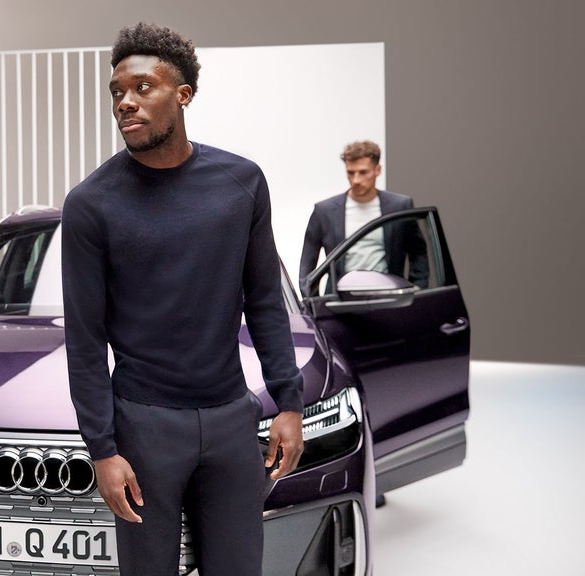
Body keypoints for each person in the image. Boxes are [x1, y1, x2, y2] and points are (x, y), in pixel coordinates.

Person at [60, 23, 304, 576]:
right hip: (143, 426)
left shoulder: (241, 183)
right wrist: (102, 448)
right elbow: (85, 337)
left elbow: (265, 299)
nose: (126, 101)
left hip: (230, 420)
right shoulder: (91, 204)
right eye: (117, 91)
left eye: (143, 87)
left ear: (183, 95)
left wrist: (288, 402)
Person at [298, 140, 428, 294]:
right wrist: (313, 303)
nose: (356, 180)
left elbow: (418, 252)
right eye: (350, 173)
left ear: (377, 170)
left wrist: (417, 291)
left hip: (389, 298)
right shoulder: (324, 211)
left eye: (363, 172)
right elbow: (307, 265)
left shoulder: (399, 205)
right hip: (340, 302)